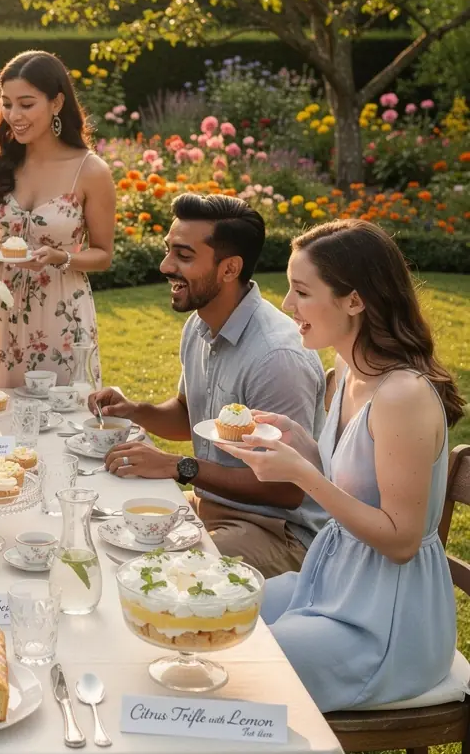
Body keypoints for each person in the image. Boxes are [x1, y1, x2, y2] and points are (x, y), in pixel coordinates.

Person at [220, 220, 462, 711]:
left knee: (243, 668)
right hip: (332, 585)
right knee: (213, 610)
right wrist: (304, 444)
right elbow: (357, 480)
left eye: (302, 291)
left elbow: (401, 541)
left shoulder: (403, 396)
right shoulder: (347, 371)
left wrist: (302, 473)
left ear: (354, 300)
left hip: (388, 622)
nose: (287, 305)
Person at [90, 193, 327, 577]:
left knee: (151, 572)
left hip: (280, 533)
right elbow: (189, 415)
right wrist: (133, 410)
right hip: (213, 509)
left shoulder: (276, 357)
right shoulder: (200, 325)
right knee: (107, 526)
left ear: (229, 268)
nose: (165, 266)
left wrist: (180, 466)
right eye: (168, 250)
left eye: (183, 256)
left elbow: (286, 489)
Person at [0, 50, 116, 387]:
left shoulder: (91, 171)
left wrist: (61, 257)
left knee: (62, 410)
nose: (14, 115)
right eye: (7, 104)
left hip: (62, 312)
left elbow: (103, 254)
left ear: (56, 102)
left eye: (26, 104)